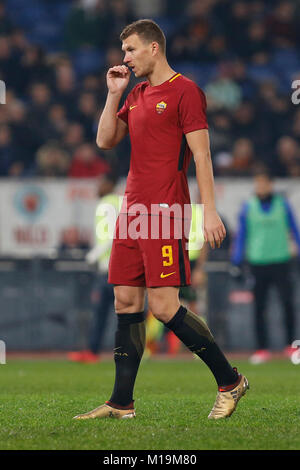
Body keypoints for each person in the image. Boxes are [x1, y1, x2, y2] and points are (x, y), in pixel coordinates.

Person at [74, 19, 249, 421]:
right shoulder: (133, 93)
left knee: (165, 306)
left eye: (131, 50)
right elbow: (105, 140)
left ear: (154, 48)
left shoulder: (186, 92)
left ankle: (230, 381)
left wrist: (209, 210)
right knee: (126, 300)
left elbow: (201, 155)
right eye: (123, 52)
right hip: (132, 207)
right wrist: (112, 94)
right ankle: (121, 403)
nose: (125, 58)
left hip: (166, 210)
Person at [231, 170, 300, 364]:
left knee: (287, 303)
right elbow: (242, 235)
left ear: (271, 184)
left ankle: (291, 346)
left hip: (280, 260)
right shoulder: (248, 207)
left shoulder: (282, 204)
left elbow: (294, 229)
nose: (260, 187)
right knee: (259, 307)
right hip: (257, 262)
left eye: (263, 183)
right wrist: (236, 261)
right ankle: (261, 349)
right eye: (257, 184)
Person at [68, 174, 120, 363]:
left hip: (109, 269)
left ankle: (92, 351)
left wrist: (92, 256)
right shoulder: (119, 202)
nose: (97, 186)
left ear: (109, 184)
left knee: (101, 312)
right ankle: (95, 350)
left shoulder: (107, 203)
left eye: (101, 182)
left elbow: (112, 235)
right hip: (118, 267)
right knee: (126, 313)